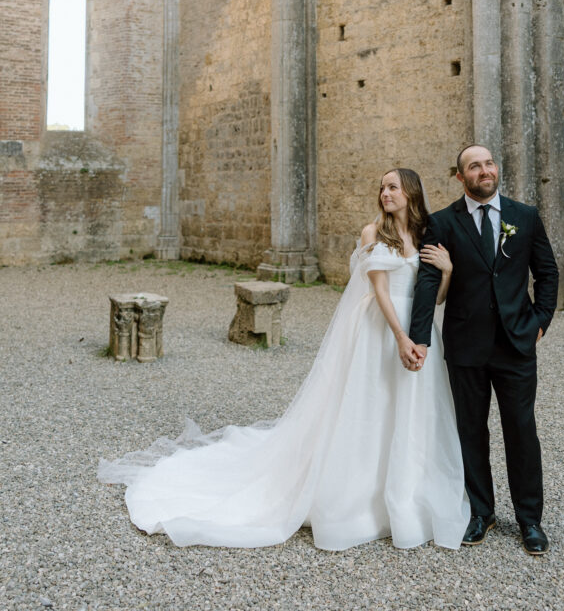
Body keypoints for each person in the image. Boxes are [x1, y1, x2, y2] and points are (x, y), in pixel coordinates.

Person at [98, 168, 470, 551]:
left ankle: (405, 490)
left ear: (410, 192)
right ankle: (359, 495)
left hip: (420, 333)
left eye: (392, 187)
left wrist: (447, 272)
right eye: (382, 188)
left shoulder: (427, 236)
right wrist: (399, 336)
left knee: (409, 408)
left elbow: (435, 298)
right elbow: (379, 293)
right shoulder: (372, 233)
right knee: (371, 404)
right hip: (381, 329)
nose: (384, 193)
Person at [407, 145, 559, 555]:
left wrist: (539, 323)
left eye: (489, 163)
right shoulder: (442, 223)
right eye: (474, 166)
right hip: (465, 345)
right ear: (461, 177)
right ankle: (481, 512)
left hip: (515, 344)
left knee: (521, 431)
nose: (484, 170)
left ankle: (530, 520)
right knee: (470, 431)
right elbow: (426, 283)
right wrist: (418, 337)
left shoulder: (524, 217)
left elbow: (547, 272)